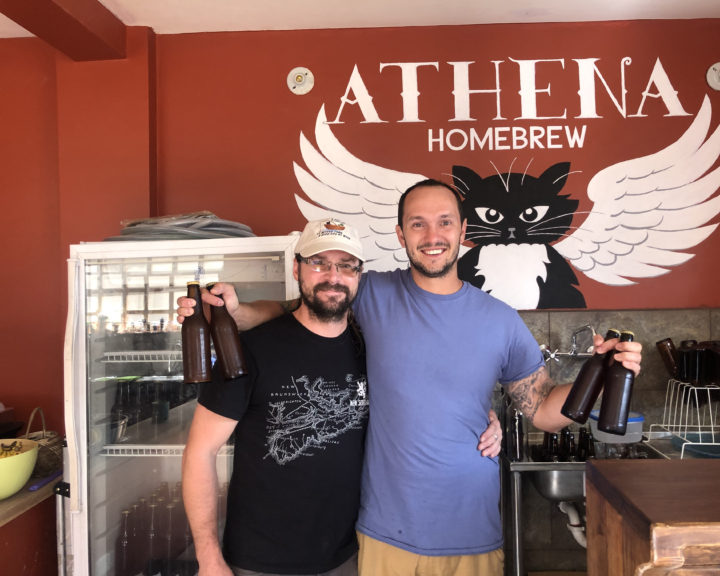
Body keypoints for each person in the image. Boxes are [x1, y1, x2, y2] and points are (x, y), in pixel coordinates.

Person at [179, 180, 642, 576]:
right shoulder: (371, 293)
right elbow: (300, 310)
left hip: (471, 534)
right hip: (382, 537)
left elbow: (541, 410)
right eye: (418, 223)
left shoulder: (500, 321)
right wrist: (236, 316)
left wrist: (597, 374)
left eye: (445, 222)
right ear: (401, 234)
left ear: (465, 231)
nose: (432, 235)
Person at [182, 218, 370, 576]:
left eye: (346, 265)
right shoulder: (250, 349)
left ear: (358, 274)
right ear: (298, 269)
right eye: (319, 263)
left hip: (345, 557)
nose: (333, 275)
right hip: (259, 562)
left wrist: (481, 420)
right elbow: (200, 452)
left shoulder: (367, 346)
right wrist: (209, 558)